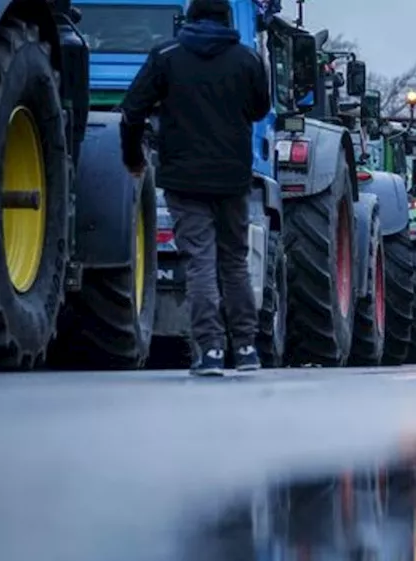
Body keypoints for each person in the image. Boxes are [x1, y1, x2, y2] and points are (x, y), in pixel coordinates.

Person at [120, 0, 271, 376]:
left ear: (189, 16)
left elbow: (131, 110)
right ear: (226, 17)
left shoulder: (166, 56)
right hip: (233, 177)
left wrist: (133, 156)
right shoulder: (247, 59)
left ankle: (211, 352)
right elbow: (259, 109)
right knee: (234, 261)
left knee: (200, 262)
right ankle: (248, 349)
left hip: (182, 178)